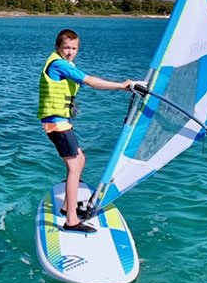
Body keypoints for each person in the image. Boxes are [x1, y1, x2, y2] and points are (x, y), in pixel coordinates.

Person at [38, 28, 140, 232]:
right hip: (56, 123)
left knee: (80, 159)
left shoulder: (65, 63)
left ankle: (68, 207)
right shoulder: (59, 65)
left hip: (61, 122)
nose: (70, 52)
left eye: (74, 48)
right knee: (74, 167)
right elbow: (91, 81)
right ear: (57, 47)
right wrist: (123, 85)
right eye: (66, 47)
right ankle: (71, 221)